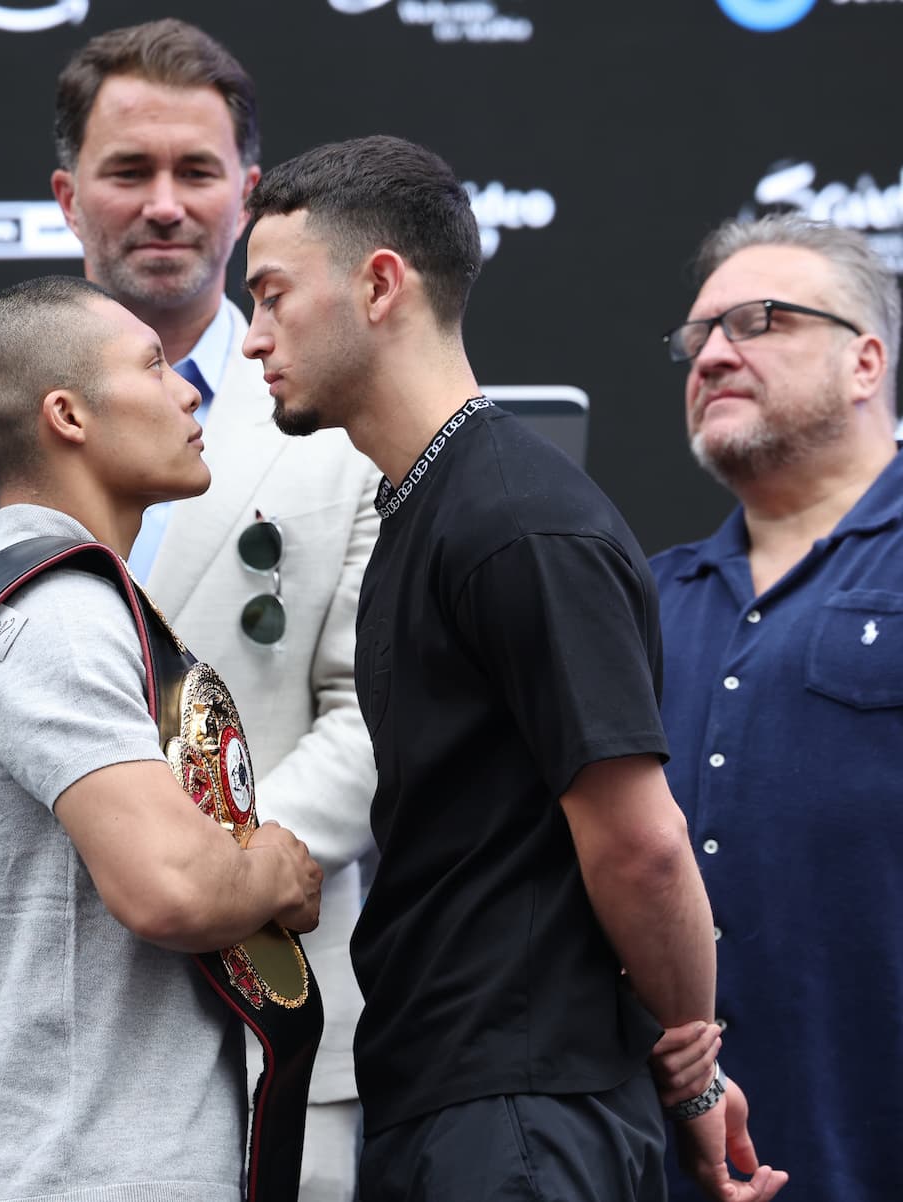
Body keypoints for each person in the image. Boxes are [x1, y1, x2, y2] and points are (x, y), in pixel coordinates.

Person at [0, 20, 377, 1202]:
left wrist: (207, 876)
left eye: (196, 171)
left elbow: (374, 715)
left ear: (248, 192)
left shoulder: (342, 423)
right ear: (70, 196)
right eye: (130, 172)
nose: (165, 204)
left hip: (277, 1028)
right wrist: (111, 864)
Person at [240, 134, 788, 1202]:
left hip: (522, 1118)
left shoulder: (516, 517)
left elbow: (641, 843)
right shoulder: (429, 507)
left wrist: (690, 1067)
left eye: (271, 295)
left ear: (380, 284)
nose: (253, 338)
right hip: (462, 1100)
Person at [0, 272, 323, 1199]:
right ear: (68, 415)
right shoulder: (61, 616)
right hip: (91, 1172)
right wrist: (276, 867)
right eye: (153, 366)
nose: (189, 388)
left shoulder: (69, 603)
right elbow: (173, 889)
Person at [651, 214, 902, 1202]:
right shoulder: (645, 600)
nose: (713, 353)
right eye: (698, 336)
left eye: (760, 320)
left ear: (865, 361)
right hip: (673, 1162)